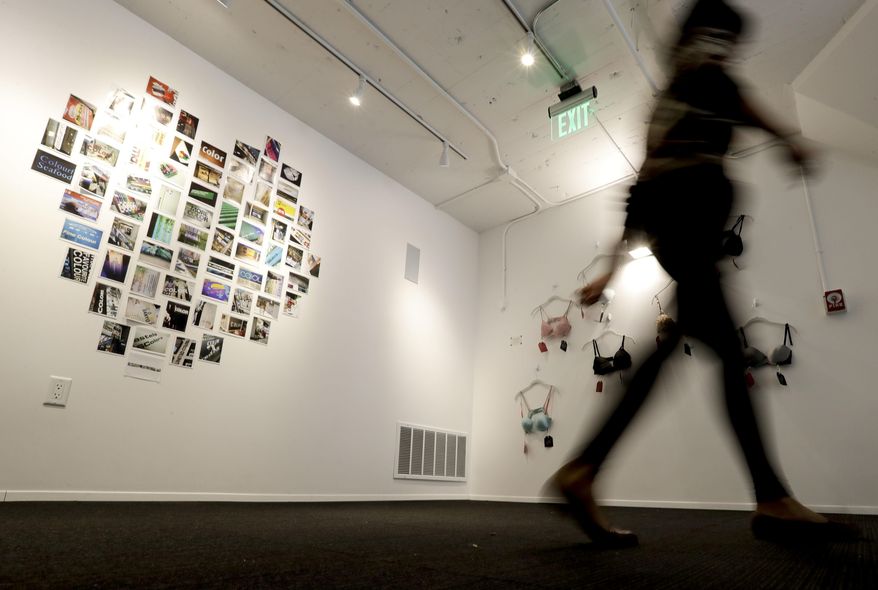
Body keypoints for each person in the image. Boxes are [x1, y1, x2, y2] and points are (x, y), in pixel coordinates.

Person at [549, 0, 858, 547]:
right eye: (715, 39)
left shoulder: (677, 97)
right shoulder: (700, 83)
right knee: (715, 352)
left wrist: (610, 271)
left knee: (690, 347)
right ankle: (768, 498)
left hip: (678, 228)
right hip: (685, 223)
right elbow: (663, 170)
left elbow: (640, 190)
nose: (719, 51)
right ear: (700, 40)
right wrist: (789, 139)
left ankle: (589, 470)